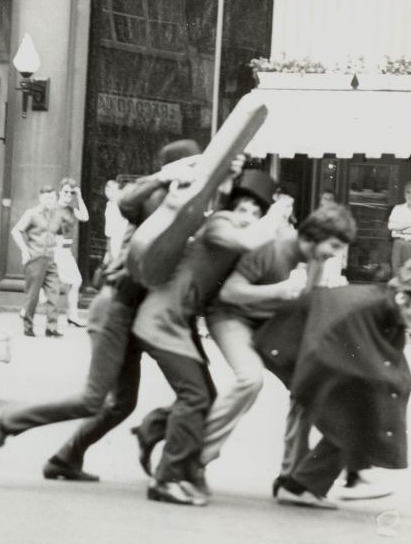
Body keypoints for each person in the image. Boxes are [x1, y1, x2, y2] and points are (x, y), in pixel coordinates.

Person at [0, 140, 207, 480]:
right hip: (115, 306)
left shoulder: (185, 205)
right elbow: (125, 200)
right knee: (93, 399)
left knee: (121, 404)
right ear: (180, 168)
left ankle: (65, 459)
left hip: (133, 313)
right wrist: (164, 176)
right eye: (194, 165)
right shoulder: (156, 198)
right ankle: (5, 422)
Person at [132, 201, 353, 488]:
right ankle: (195, 458)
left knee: (306, 382)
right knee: (250, 380)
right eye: (333, 246)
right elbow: (230, 293)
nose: (335, 254)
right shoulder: (272, 246)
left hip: (269, 324)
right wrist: (278, 290)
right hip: (230, 317)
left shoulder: (315, 262)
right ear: (314, 235)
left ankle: (292, 478)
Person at [132, 174, 294, 506]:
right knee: (195, 397)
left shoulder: (238, 234)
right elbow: (250, 241)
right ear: (230, 208)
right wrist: (275, 214)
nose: (247, 216)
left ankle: (153, 429)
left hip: (177, 323)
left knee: (204, 395)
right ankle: (167, 478)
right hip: (161, 321)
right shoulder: (221, 224)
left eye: (254, 212)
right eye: (243, 208)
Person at [257, 261, 411, 508]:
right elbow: (332, 345)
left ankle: (337, 477)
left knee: (359, 405)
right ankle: (301, 486)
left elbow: (390, 361)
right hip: (290, 344)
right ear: (402, 297)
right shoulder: (364, 307)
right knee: (351, 412)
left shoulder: (387, 307)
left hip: (313, 341)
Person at [11, 186, 65, 337]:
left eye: (53, 198)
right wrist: (24, 250)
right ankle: (28, 326)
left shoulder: (57, 215)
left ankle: (51, 327)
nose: (50, 201)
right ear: (41, 198)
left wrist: (58, 251)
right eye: (47, 198)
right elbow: (16, 231)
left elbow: (60, 234)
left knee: (54, 292)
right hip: (35, 257)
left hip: (51, 258)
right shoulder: (32, 214)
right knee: (32, 295)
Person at [55, 178, 90, 326]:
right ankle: (73, 316)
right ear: (60, 192)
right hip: (56, 251)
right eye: (65, 191)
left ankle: (73, 316)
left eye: (71, 192)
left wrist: (79, 197)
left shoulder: (71, 209)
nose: (68, 194)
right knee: (54, 283)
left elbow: (85, 217)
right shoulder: (53, 208)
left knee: (74, 282)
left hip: (66, 252)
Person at [388, 181, 411, 273]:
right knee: (397, 272)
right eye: (408, 192)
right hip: (399, 243)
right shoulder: (398, 208)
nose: (410, 195)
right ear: (404, 194)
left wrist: (400, 228)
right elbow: (391, 226)